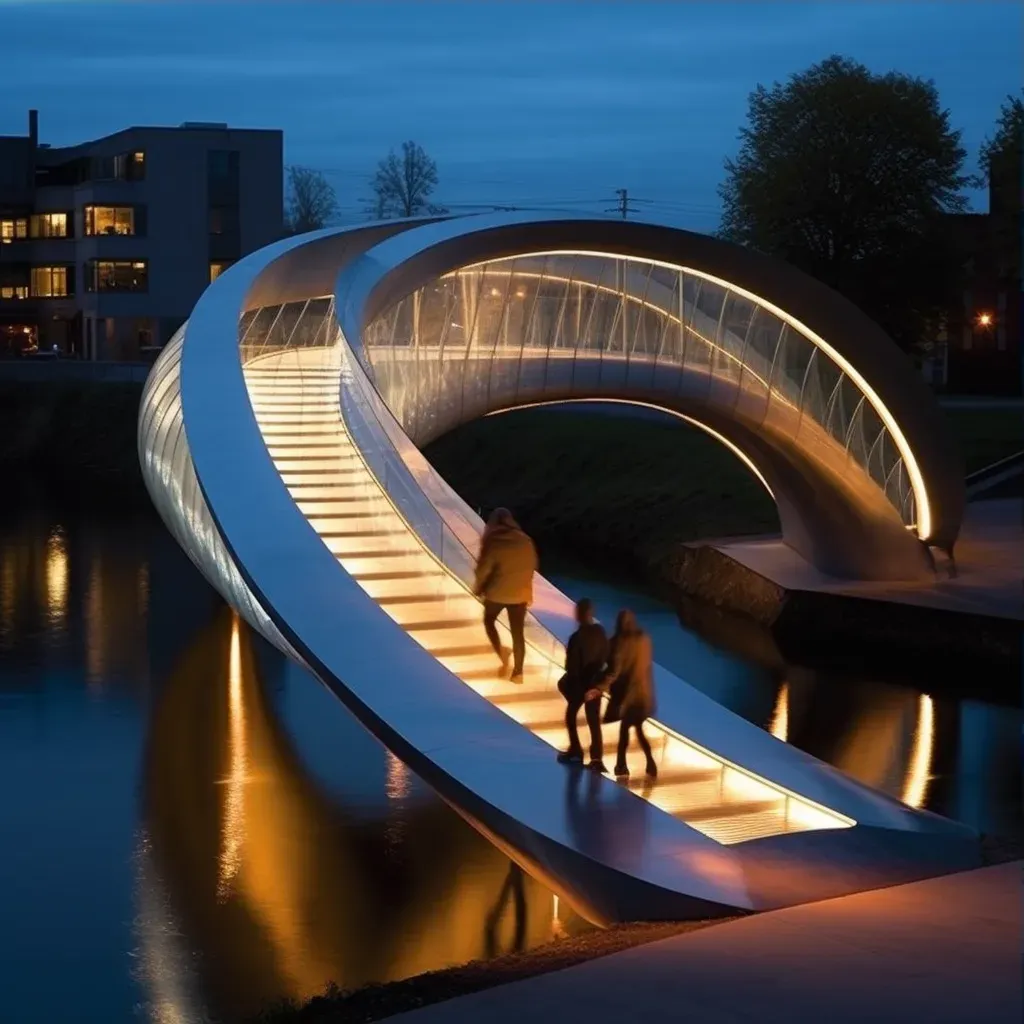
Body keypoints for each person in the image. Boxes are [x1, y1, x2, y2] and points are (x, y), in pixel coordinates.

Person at [587, 609, 657, 779]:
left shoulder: (619, 644)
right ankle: (649, 763)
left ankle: (622, 766)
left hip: (629, 696)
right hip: (645, 693)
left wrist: (599, 688)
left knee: (625, 729)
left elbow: (614, 672)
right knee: (638, 729)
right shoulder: (644, 640)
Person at [474, 508, 537, 684]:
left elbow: (483, 570)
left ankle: (502, 655)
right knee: (518, 633)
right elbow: (531, 568)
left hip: (497, 593)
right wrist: (528, 592)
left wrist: (478, 589)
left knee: (489, 621)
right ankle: (518, 673)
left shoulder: (493, 542)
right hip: (520, 595)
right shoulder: (526, 541)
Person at [556, 598, 609, 771]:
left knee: (571, 715)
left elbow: (572, 667)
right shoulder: (600, 632)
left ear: (578, 615)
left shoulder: (576, 638)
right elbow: (606, 656)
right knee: (594, 722)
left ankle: (576, 751)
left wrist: (573, 688)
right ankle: (596, 759)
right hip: (595, 684)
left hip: (580, 684)